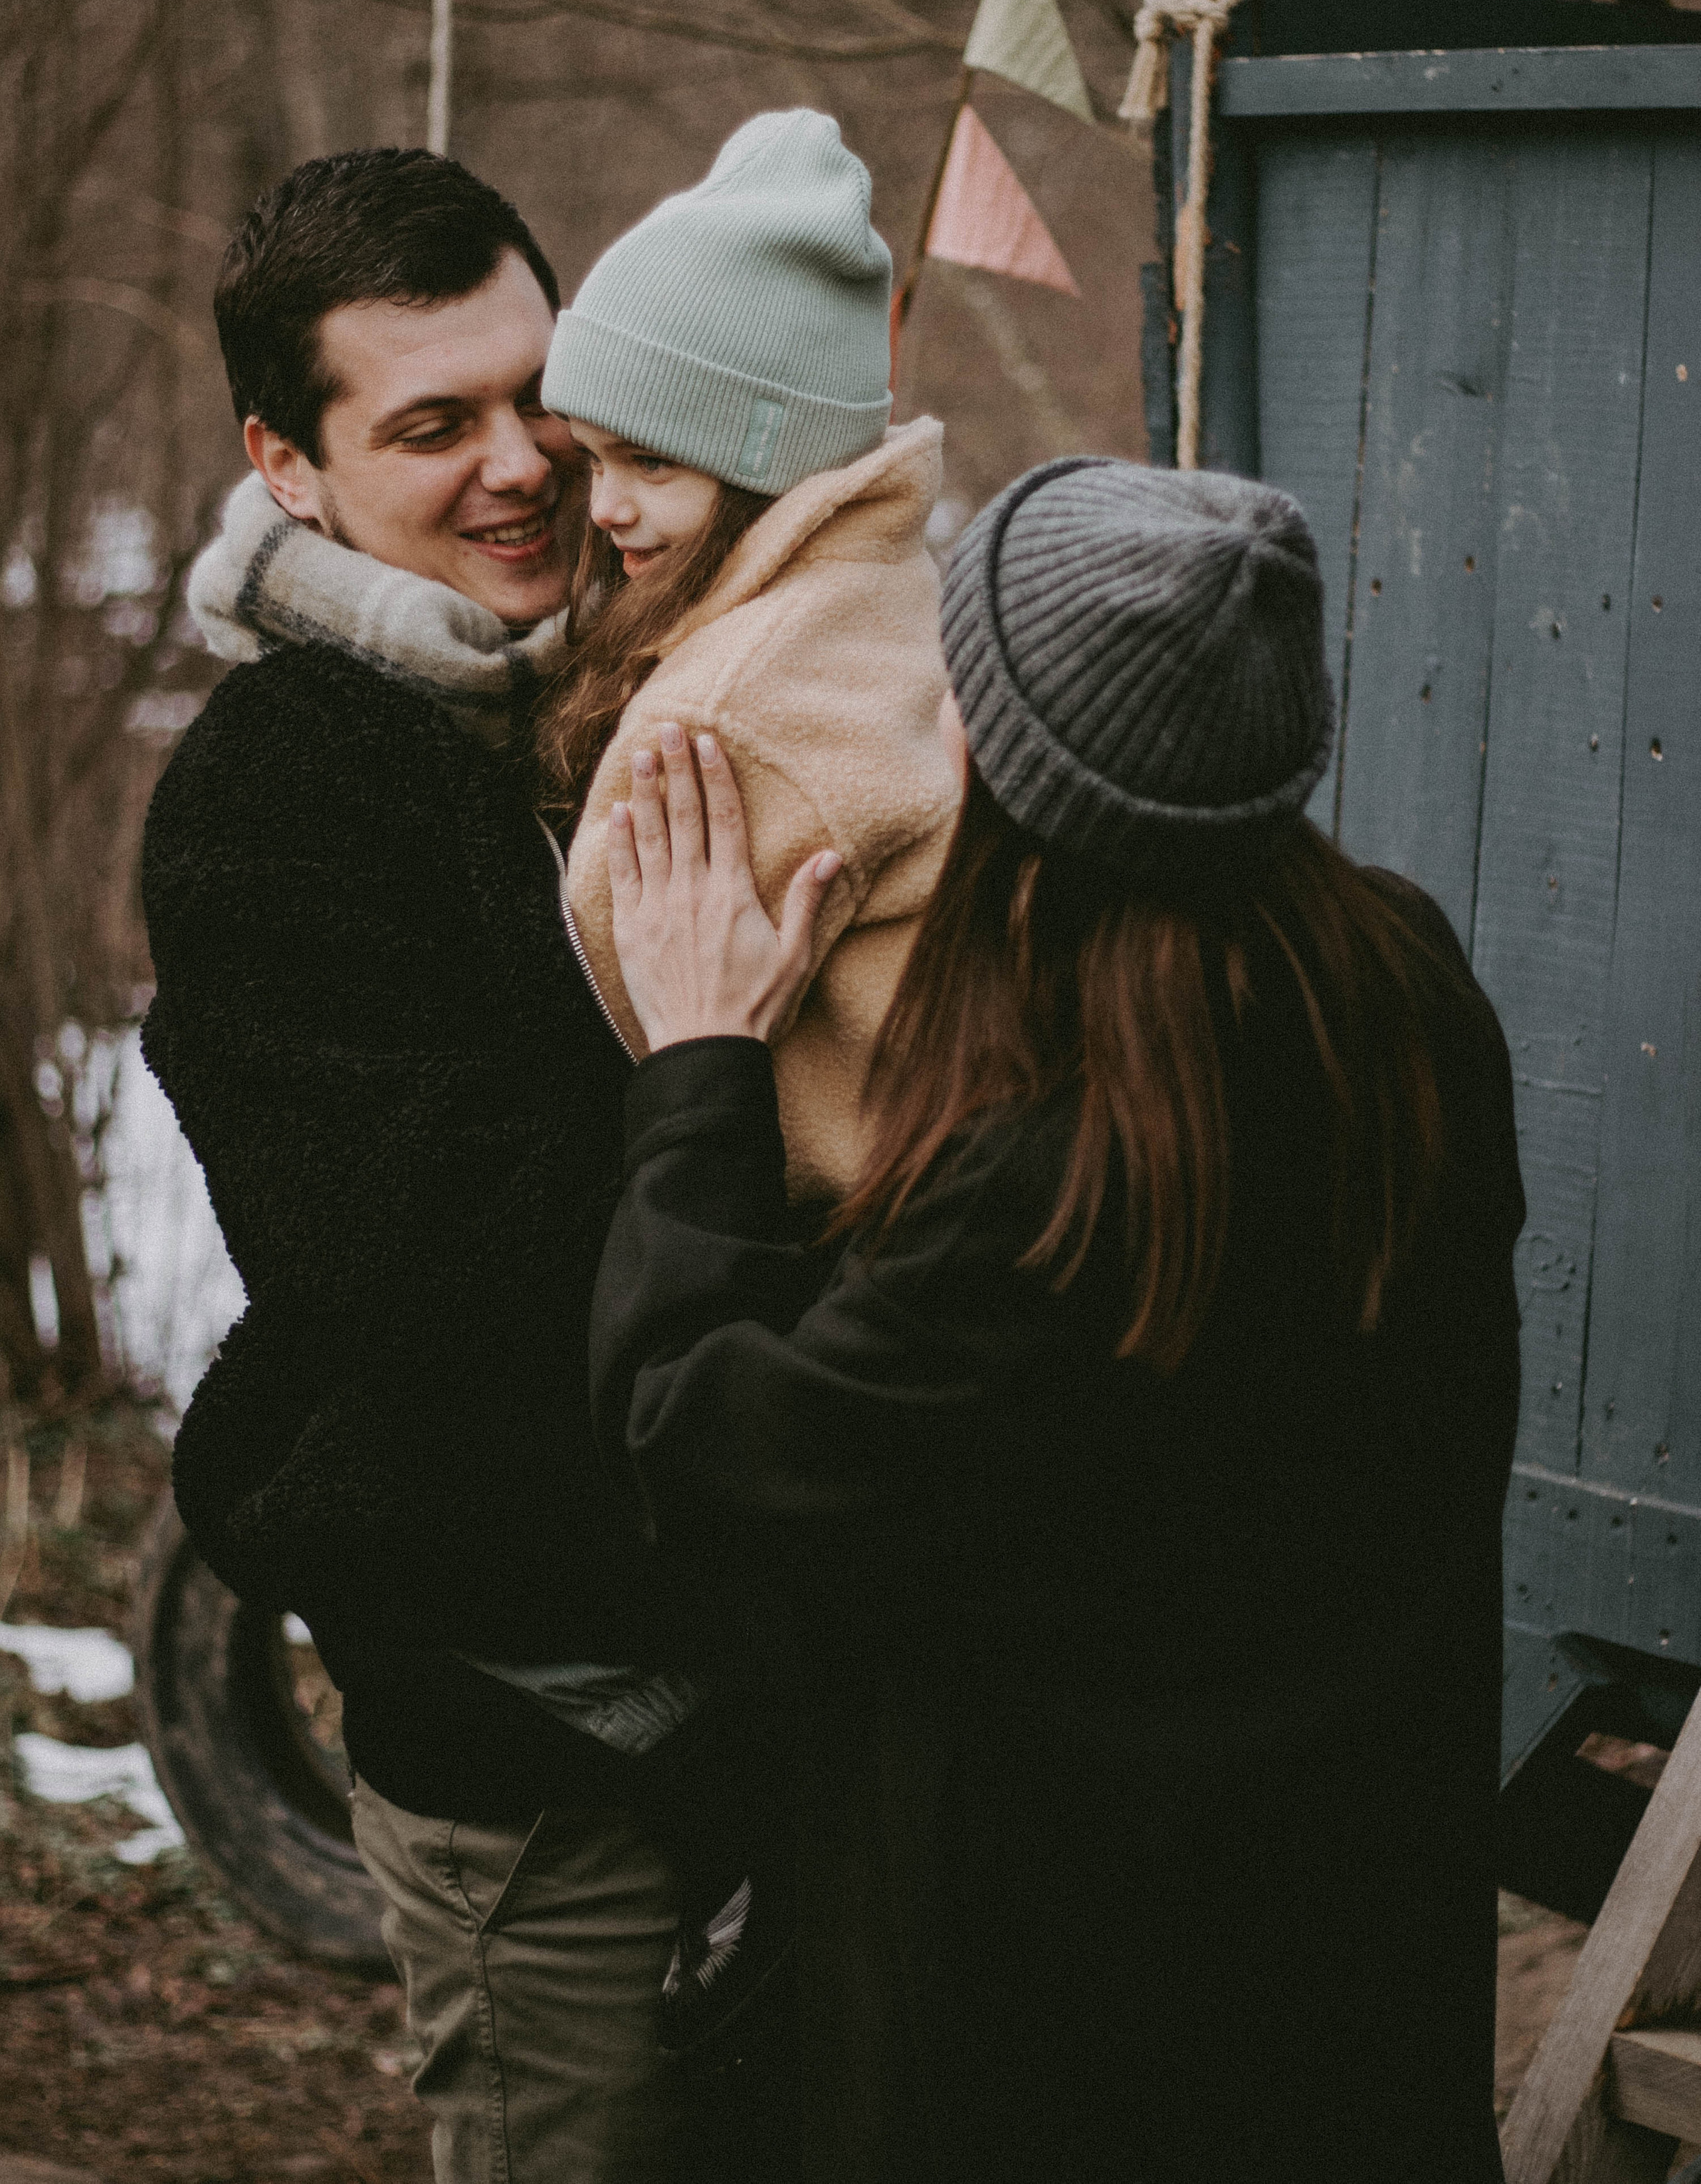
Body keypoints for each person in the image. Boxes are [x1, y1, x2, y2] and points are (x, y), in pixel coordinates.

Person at [585, 456, 1525, 2184]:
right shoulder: (1403, 990)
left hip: (1078, 2045)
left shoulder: (1058, 1180)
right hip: (1348, 1987)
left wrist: (703, 1067)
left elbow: (710, 1444)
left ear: (992, 766)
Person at [142, 147, 704, 2184]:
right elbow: (434, 1276)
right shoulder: (288, 796)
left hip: (747, 1702)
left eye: (538, 392)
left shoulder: (597, 682)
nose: (521, 465)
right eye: (431, 425)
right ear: (290, 468)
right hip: (544, 1744)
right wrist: (717, 1069)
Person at [535, 107, 961, 1205]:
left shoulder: (719, 718)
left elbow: (607, 1023)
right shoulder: (886, 587)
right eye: (590, 457)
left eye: (651, 463)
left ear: (767, 459)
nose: (606, 508)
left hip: (832, 1237)